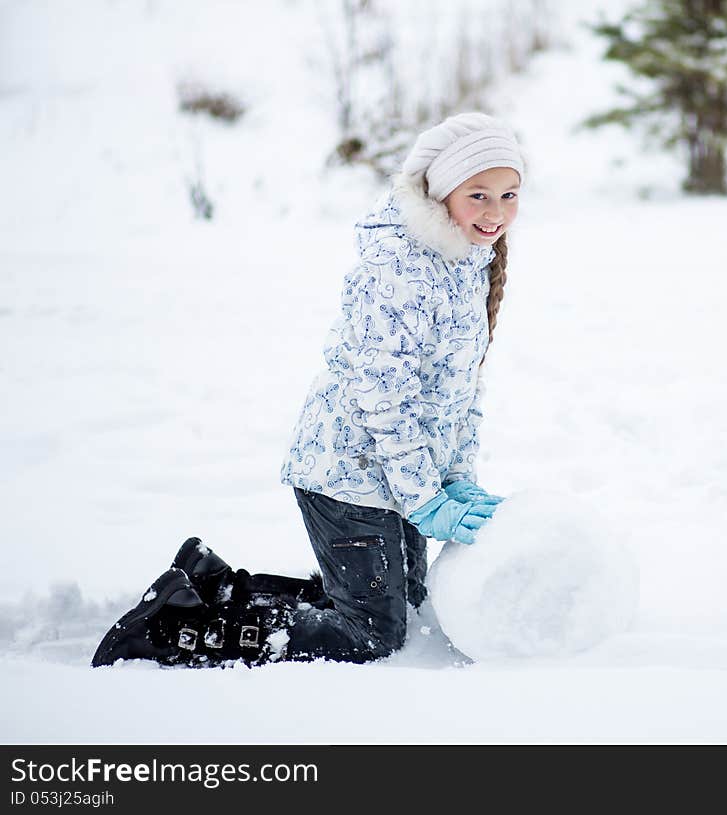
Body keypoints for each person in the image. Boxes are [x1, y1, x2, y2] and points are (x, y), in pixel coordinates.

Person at [92, 112, 525, 669]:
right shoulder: (398, 272)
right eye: (479, 195)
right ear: (442, 195)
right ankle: (172, 626)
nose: (495, 213)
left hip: (395, 475)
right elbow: (385, 402)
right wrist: (425, 499)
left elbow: (461, 388)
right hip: (346, 473)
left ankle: (212, 585)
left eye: (509, 195)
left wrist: (454, 479)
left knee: (409, 602)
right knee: (373, 633)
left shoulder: (465, 261)